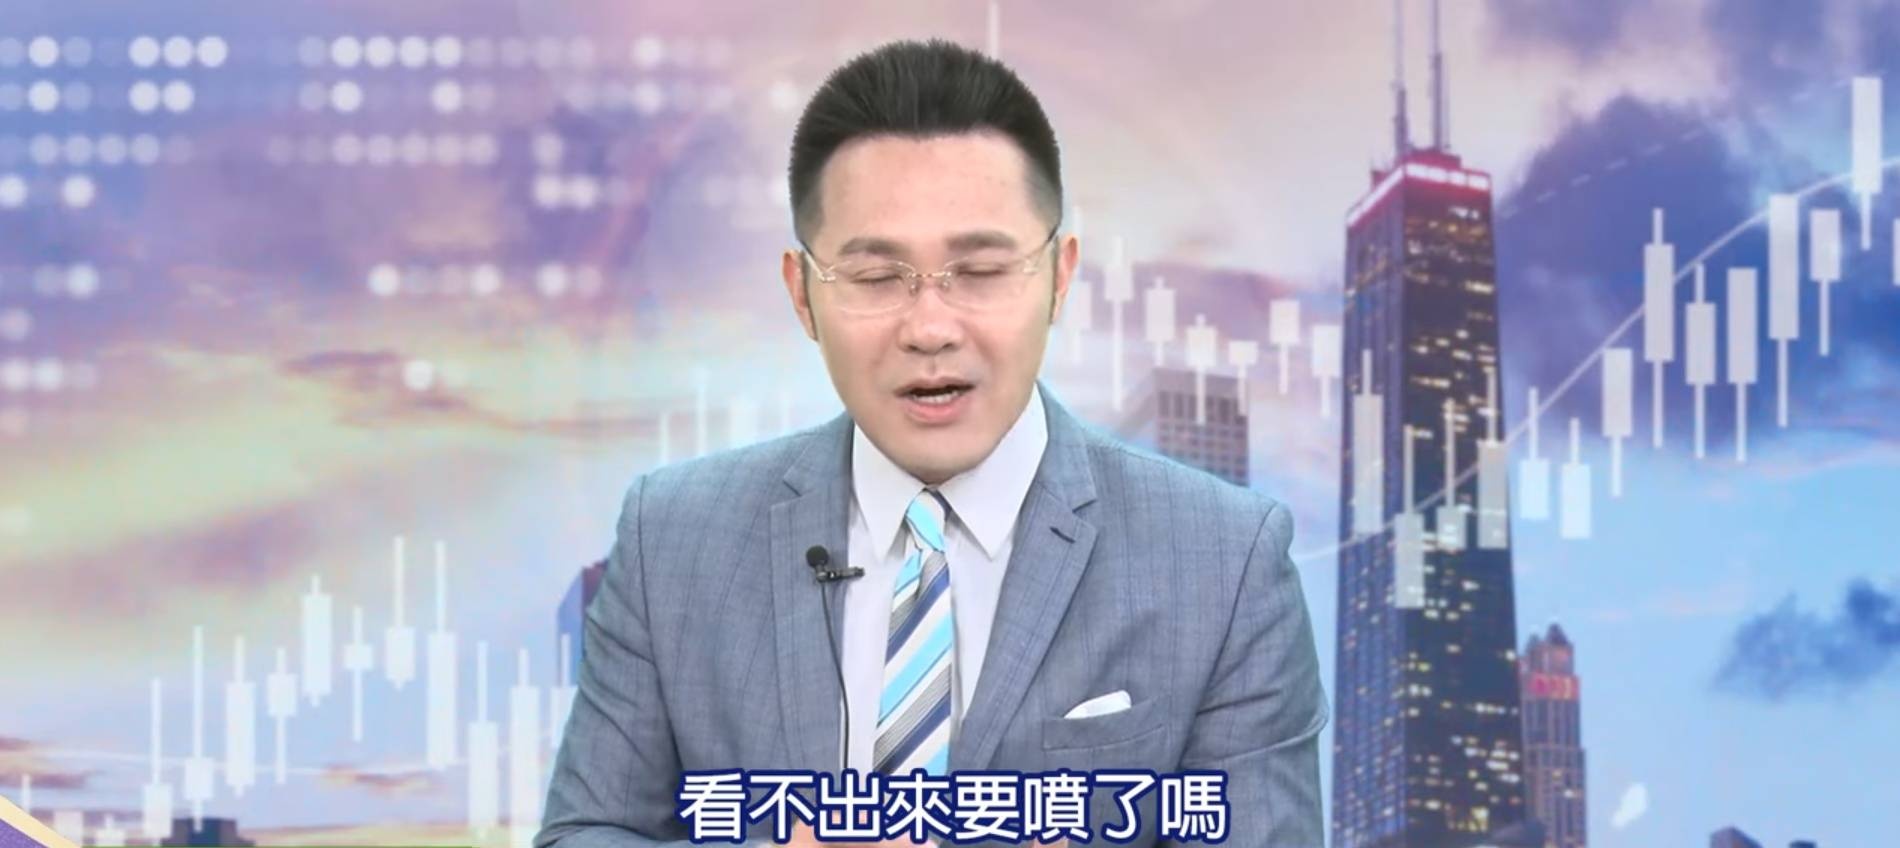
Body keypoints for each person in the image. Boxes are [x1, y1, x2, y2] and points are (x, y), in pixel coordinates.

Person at [536, 38, 1326, 847]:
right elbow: (588, 831)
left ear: (1060, 277)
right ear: (802, 295)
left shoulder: (1225, 563)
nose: (930, 328)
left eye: (980, 272)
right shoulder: (672, 538)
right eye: (877, 278)